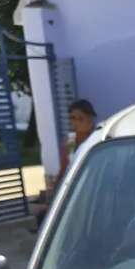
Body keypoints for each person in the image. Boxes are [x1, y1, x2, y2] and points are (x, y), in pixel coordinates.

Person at [32, 99, 98, 231]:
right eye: (72, 118)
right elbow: (63, 170)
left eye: (80, 118)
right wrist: (50, 200)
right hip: (73, 189)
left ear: (90, 119)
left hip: (93, 190)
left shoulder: (97, 139)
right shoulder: (71, 141)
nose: (76, 122)